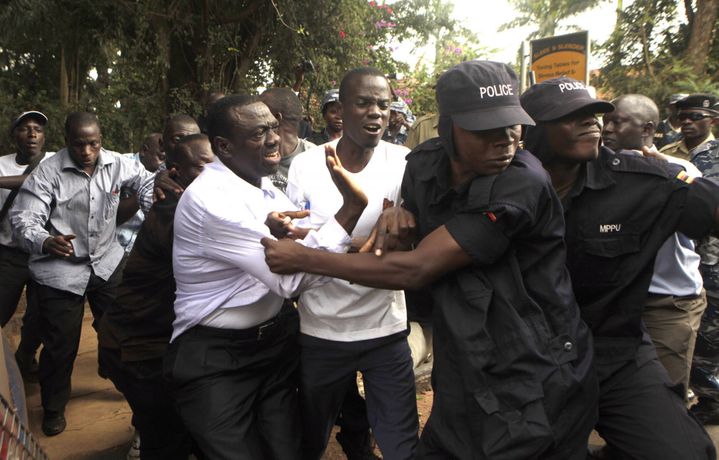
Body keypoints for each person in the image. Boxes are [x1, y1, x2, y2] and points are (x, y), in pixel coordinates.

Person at [263, 60, 598, 460]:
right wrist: (398, 220)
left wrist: (305, 258)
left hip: (534, 365)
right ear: (449, 127)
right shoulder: (423, 166)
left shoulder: (521, 182)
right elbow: (400, 249)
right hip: (464, 358)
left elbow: (416, 268)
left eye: (513, 125)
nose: (506, 140)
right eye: (486, 129)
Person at [519, 77, 717, 459]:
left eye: (594, 113)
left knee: (683, 452)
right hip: (530, 361)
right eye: (572, 116)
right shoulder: (502, 185)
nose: (593, 123)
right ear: (531, 131)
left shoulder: (641, 180)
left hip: (616, 354)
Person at [164, 94, 368, 460]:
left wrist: (362, 245)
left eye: (274, 126)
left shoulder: (266, 187)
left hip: (273, 348)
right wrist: (350, 209)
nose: (274, 138)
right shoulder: (210, 199)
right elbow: (290, 279)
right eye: (259, 133)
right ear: (224, 146)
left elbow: (310, 244)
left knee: (287, 451)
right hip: (215, 358)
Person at [286, 67, 417, 460]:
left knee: (402, 446)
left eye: (383, 103)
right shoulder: (306, 166)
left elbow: (407, 244)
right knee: (309, 439)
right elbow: (299, 244)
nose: (376, 112)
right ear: (340, 109)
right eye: (363, 102)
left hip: (386, 330)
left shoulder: (405, 162)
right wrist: (369, 245)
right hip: (321, 331)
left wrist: (335, 243)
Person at [10, 112, 155, 437]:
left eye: (94, 144)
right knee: (61, 345)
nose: (88, 152)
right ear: (66, 141)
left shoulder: (117, 163)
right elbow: (23, 220)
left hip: (106, 260)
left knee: (120, 332)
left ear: (101, 140)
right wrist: (45, 241)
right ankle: (53, 407)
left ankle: (120, 377)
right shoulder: (48, 172)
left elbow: (146, 180)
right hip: (60, 270)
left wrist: (151, 200)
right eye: (80, 145)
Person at [98, 134, 213, 459]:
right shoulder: (176, 213)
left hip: (152, 344)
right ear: (176, 173)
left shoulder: (194, 202)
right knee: (167, 439)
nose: (217, 173)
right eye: (204, 167)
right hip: (138, 351)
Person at [602, 94, 706, 396]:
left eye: (618, 122)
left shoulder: (679, 170)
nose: (607, 129)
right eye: (606, 122)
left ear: (647, 129)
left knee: (665, 392)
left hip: (667, 303)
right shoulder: (599, 170)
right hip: (618, 300)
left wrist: (671, 178)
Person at [0, 111, 54, 381]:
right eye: (25, 129)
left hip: (44, 253)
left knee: (42, 312)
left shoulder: (55, 161)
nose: (32, 134)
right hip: (9, 254)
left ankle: (25, 357)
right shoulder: (1, 165)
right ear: (14, 135)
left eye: (38, 129)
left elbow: (39, 182)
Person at [689, 113, 719, 423]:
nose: (685, 122)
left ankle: (712, 401)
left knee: (708, 341)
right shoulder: (667, 152)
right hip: (688, 259)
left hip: (712, 260)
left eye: (694, 117)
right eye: (681, 116)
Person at [136, 115, 201, 215]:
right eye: (178, 139)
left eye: (193, 140)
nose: (187, 147)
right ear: (162, 145)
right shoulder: (149, 190)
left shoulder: (213, 171)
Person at [258, 87, 317, 192]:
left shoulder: (316, 159)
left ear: (276, 118)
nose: (254, 115)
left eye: (260, 111)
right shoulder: (252, 155)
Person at [116, 133, 164, 253]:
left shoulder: (167, 175)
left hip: (140, 253)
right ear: (144, 151)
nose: (164, 165)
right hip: (109, 250)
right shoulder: (119, 166)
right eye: (161, 158)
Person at [660, 93, 718, 161]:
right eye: (682, 117)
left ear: (713, 121)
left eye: (695, 116)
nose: (686, 121)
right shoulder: (666, 153)